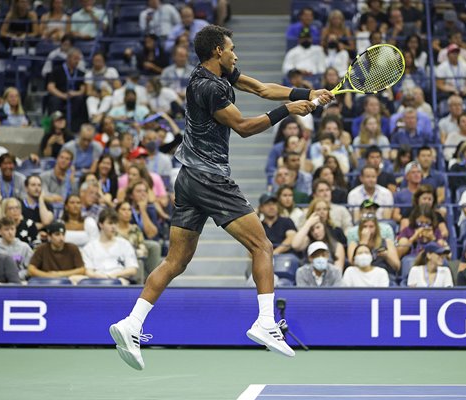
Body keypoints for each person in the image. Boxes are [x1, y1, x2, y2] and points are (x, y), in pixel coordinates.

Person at [109, 25, 331, 367]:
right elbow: (242, 127)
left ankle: (131, 322)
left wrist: (307, 91)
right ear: (217, 51)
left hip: (187, 180)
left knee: (175, 262)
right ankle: (266, 323)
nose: (236, 54)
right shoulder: (208, 87)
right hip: (210, 179)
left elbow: (260, 87)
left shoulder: (215, 73)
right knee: (263, 246)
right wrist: (288, 111)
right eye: (232, 49)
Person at [82, 208, 138, 285]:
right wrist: (101, 276)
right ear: (101, 224)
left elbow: (132, 269)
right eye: (110, 223)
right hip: (97, 281)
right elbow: (88, 271)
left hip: (120, 280)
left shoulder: (125, 244)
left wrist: (114, 275)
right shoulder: (89, 247)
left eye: (115, 223)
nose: (114, 227)